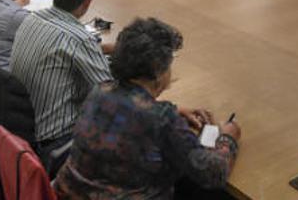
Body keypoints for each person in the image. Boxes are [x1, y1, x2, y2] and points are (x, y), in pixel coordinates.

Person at [54, 17, 241, 198]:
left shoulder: (99, 91)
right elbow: (213, 174)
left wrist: (174, 109)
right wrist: (227, 137)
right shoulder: (162, 119)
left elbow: (129, 111)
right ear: (159, 72)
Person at [9, 0, 111, 174]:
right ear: (87, 3)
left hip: (22, 125)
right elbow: (110, 95)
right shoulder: (78, 38)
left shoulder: (31, 18)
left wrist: (103, 49)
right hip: (57, 141)